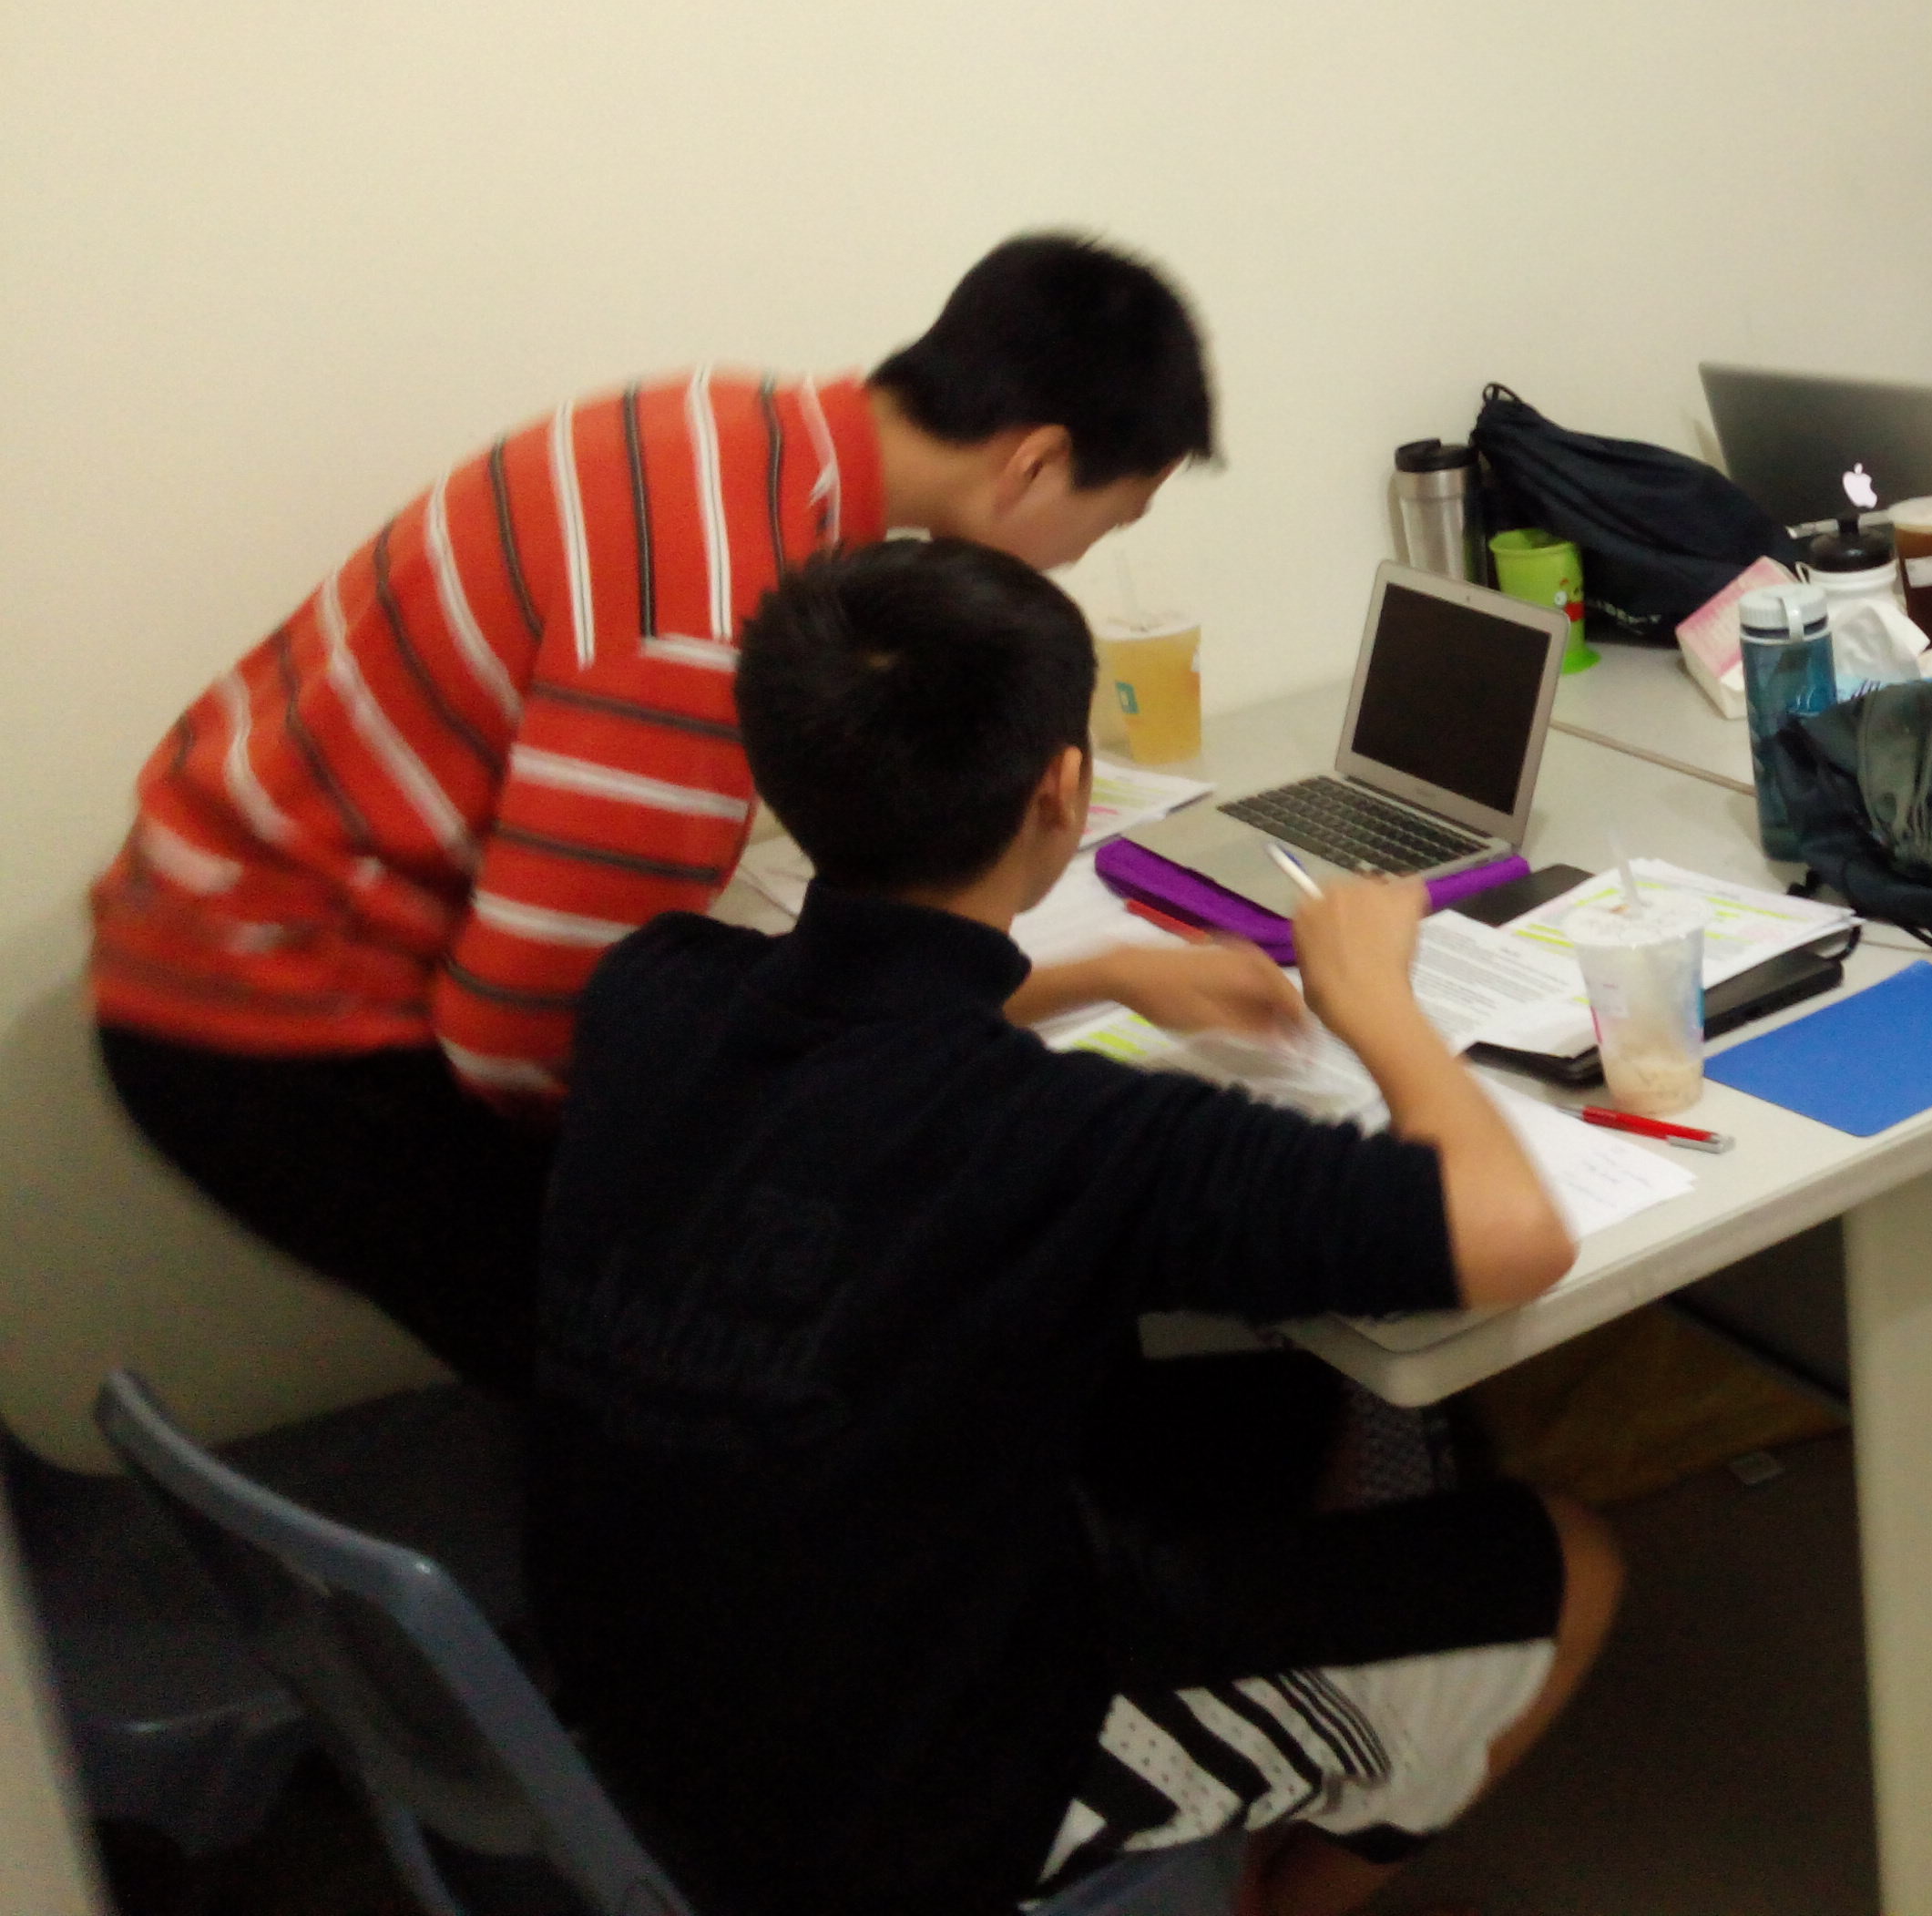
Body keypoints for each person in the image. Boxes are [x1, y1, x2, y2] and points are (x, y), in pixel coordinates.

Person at [531, 538, 1615, 1916]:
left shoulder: (652, 987)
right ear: (1063, 787)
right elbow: (1514, 1234)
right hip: (901, 1802)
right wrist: (1373, 1000)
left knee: (1292, 1405)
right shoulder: (1058, 1137)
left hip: (640, 1703)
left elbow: (853, 1016)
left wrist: (1101, 973)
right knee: (1570, 1560)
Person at [85, 231, 1273, 1398]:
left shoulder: (730, 433)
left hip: (233, 915)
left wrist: (1094, 978)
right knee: (708, 1373)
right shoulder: (709, 614)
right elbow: (522, 1036)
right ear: (1036, 464)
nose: (1077, 561)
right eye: (1111, 521)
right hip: (272, 1014)